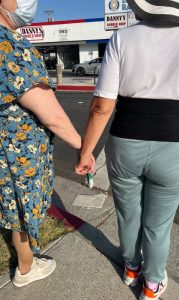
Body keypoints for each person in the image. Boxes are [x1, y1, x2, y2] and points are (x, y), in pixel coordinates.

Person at [75, 1, 179, 299]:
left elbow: (102, 106)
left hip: (126, 140)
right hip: (175, 142)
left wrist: (86, 151)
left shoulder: (123, 37)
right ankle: (152, 284)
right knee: (159, 224)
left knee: (128, 213)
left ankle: (131, 268)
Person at [0, 0, 81, 288]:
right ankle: (25, 267)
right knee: (20, 209)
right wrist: (83, 148)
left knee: (9, 206)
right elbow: (53, 117)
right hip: (16, 153)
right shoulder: (9, 46)